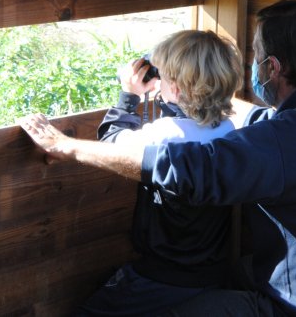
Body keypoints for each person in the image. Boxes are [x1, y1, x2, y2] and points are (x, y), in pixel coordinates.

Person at [19, 0, 296, 316]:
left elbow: (186, 170)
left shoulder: (280, 140)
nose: (254, 65)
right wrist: (203, 94)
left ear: (272, 68)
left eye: (257, 55)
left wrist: (67, 146)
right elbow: (263, 120)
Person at [78, 30, 244, 316]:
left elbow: (112, 145)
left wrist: (129, 96)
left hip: (162, 276)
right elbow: (191, 122)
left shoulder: (164, 136)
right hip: (211, 274)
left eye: (164, 76)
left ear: (177, 89)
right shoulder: (228, 131)